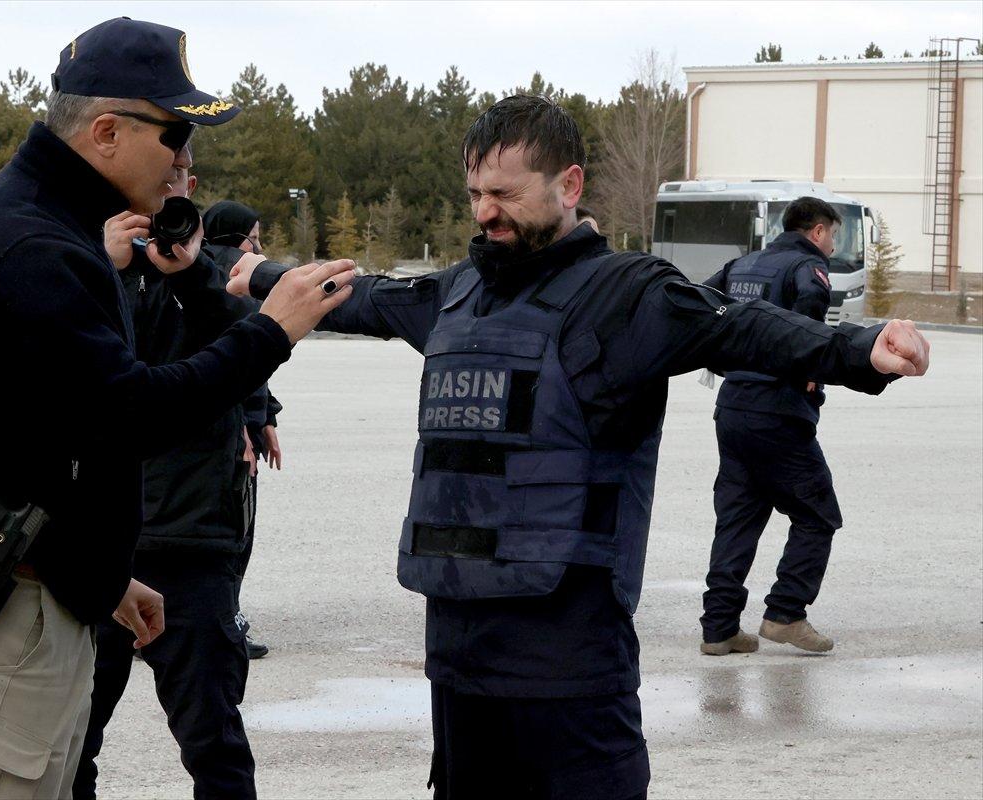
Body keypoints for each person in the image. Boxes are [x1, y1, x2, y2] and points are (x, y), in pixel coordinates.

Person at [228, 95, 930, 799]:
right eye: (475, 193)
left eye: (504, 193)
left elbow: (743, 328)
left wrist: (862, 348)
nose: (484, 212)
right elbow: (360, 297)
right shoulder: (457, 292)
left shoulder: (628, 295)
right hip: (457, 662)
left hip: (569, 667)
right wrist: (257, 275)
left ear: (569, 186)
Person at [0, 17, 353, 797]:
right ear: (107, 131)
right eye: (175, 135)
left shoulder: (40, 222)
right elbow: (128, 413)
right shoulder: (33, 244)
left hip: (37, 578)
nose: (184, 162)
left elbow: (46, 439)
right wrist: (270, 332)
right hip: (7, 597)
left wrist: (97, 576)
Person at [73, 158, 280, 800]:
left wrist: (190, 272)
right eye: (169, 172)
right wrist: (101, 268)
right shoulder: (77, 263)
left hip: (193, 541)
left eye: (186, 176)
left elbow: (249, 351)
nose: (175, 188)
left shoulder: (203, 276)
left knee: (214, 741)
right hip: (101, 542)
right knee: (68, 741)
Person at [698, 196, 849, 655]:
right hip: (778, 410)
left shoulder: (742, 265)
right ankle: (786, 613)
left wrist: (721, 362)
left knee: (739, 517)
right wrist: (804, 366)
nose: (831, 245)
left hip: (733, 409)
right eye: (833, 236)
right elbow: (811, 307)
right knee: (818, 514)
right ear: (818, 232)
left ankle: (719, 628)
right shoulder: (807, 267)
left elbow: (699, 305)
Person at [203, 200, 283, 660]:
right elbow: (246, 361)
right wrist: (254, 425)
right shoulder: (238, 275)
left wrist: (265, 413)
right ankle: (226, 620)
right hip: (228, 432)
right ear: (237, 239)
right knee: (234, 531)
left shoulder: (177, 268)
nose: (259, 244)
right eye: (254, 235)